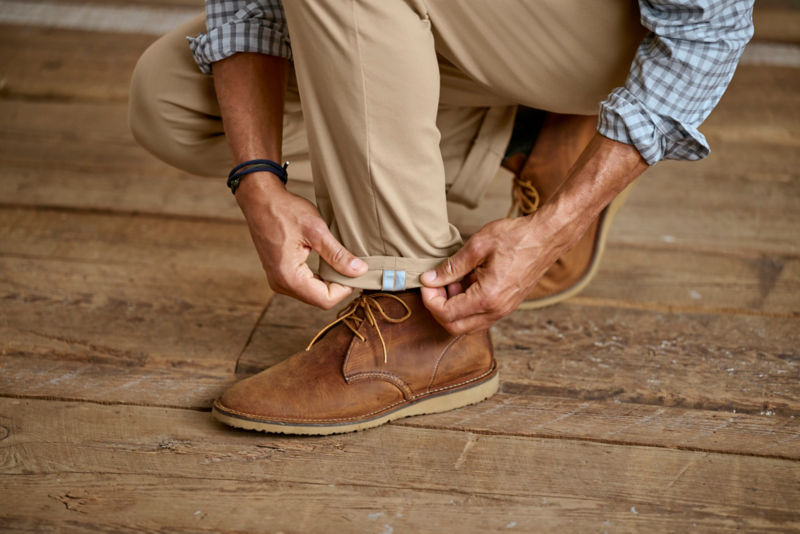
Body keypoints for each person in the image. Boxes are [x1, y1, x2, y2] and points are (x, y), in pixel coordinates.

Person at [129, 0, 754, 434]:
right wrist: (257, 176)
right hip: (463, 25)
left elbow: (709, 29)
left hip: (604, 30)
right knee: (172, 100)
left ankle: (414, 323)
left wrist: (554, 228)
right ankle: (530, 140)